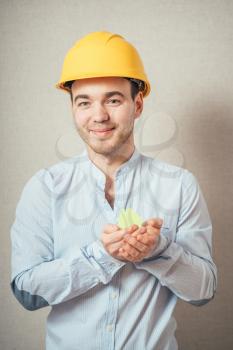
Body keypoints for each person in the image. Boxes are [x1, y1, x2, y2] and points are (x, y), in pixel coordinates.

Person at [10, 31, 217, 350]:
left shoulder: (178, 185)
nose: (99, 115)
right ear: (72, 108)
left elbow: (203, 291)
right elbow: (27, 294)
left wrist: (157, 250)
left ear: (137, 104)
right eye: (84, 102)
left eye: (113, 99)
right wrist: (101, 256)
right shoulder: (45, 188)